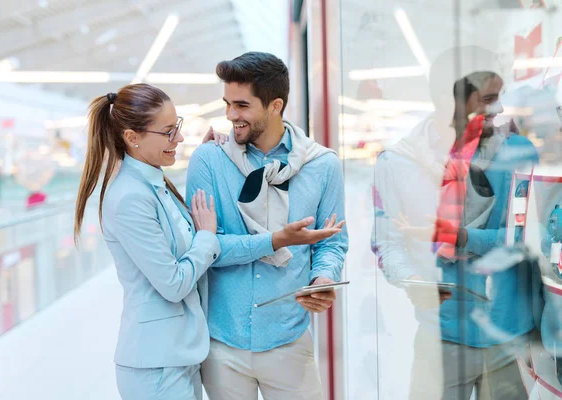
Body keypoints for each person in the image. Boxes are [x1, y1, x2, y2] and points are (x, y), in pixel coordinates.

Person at [373, 46, 540, 400]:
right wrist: (413, 281)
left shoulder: (517, 153)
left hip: (507, 335)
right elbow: (387, 242)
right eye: (489, 99)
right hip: (439, 337)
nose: (500, 110)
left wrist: (461, 236)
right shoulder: (398, 162)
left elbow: (523, 240)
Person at [186, 52, 348, 400]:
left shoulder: (323, 165)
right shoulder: (209, 161)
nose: (231, 116)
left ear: (275, 105)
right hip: (221, 344)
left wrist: (323, 279)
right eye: (227, 104)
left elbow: (332, 243)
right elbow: (203, 249)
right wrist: (274, 241)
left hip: (289, 338)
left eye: (242, 105)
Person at [73, 83, 222, 400]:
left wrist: (205, 157)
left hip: (177, 357)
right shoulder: (129, 198)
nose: (178, 139)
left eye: (177, 127)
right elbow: (173, 283)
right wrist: (206, 236)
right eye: (168, 132)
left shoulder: (155, 184)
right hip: (156, 369)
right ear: (132, 137)